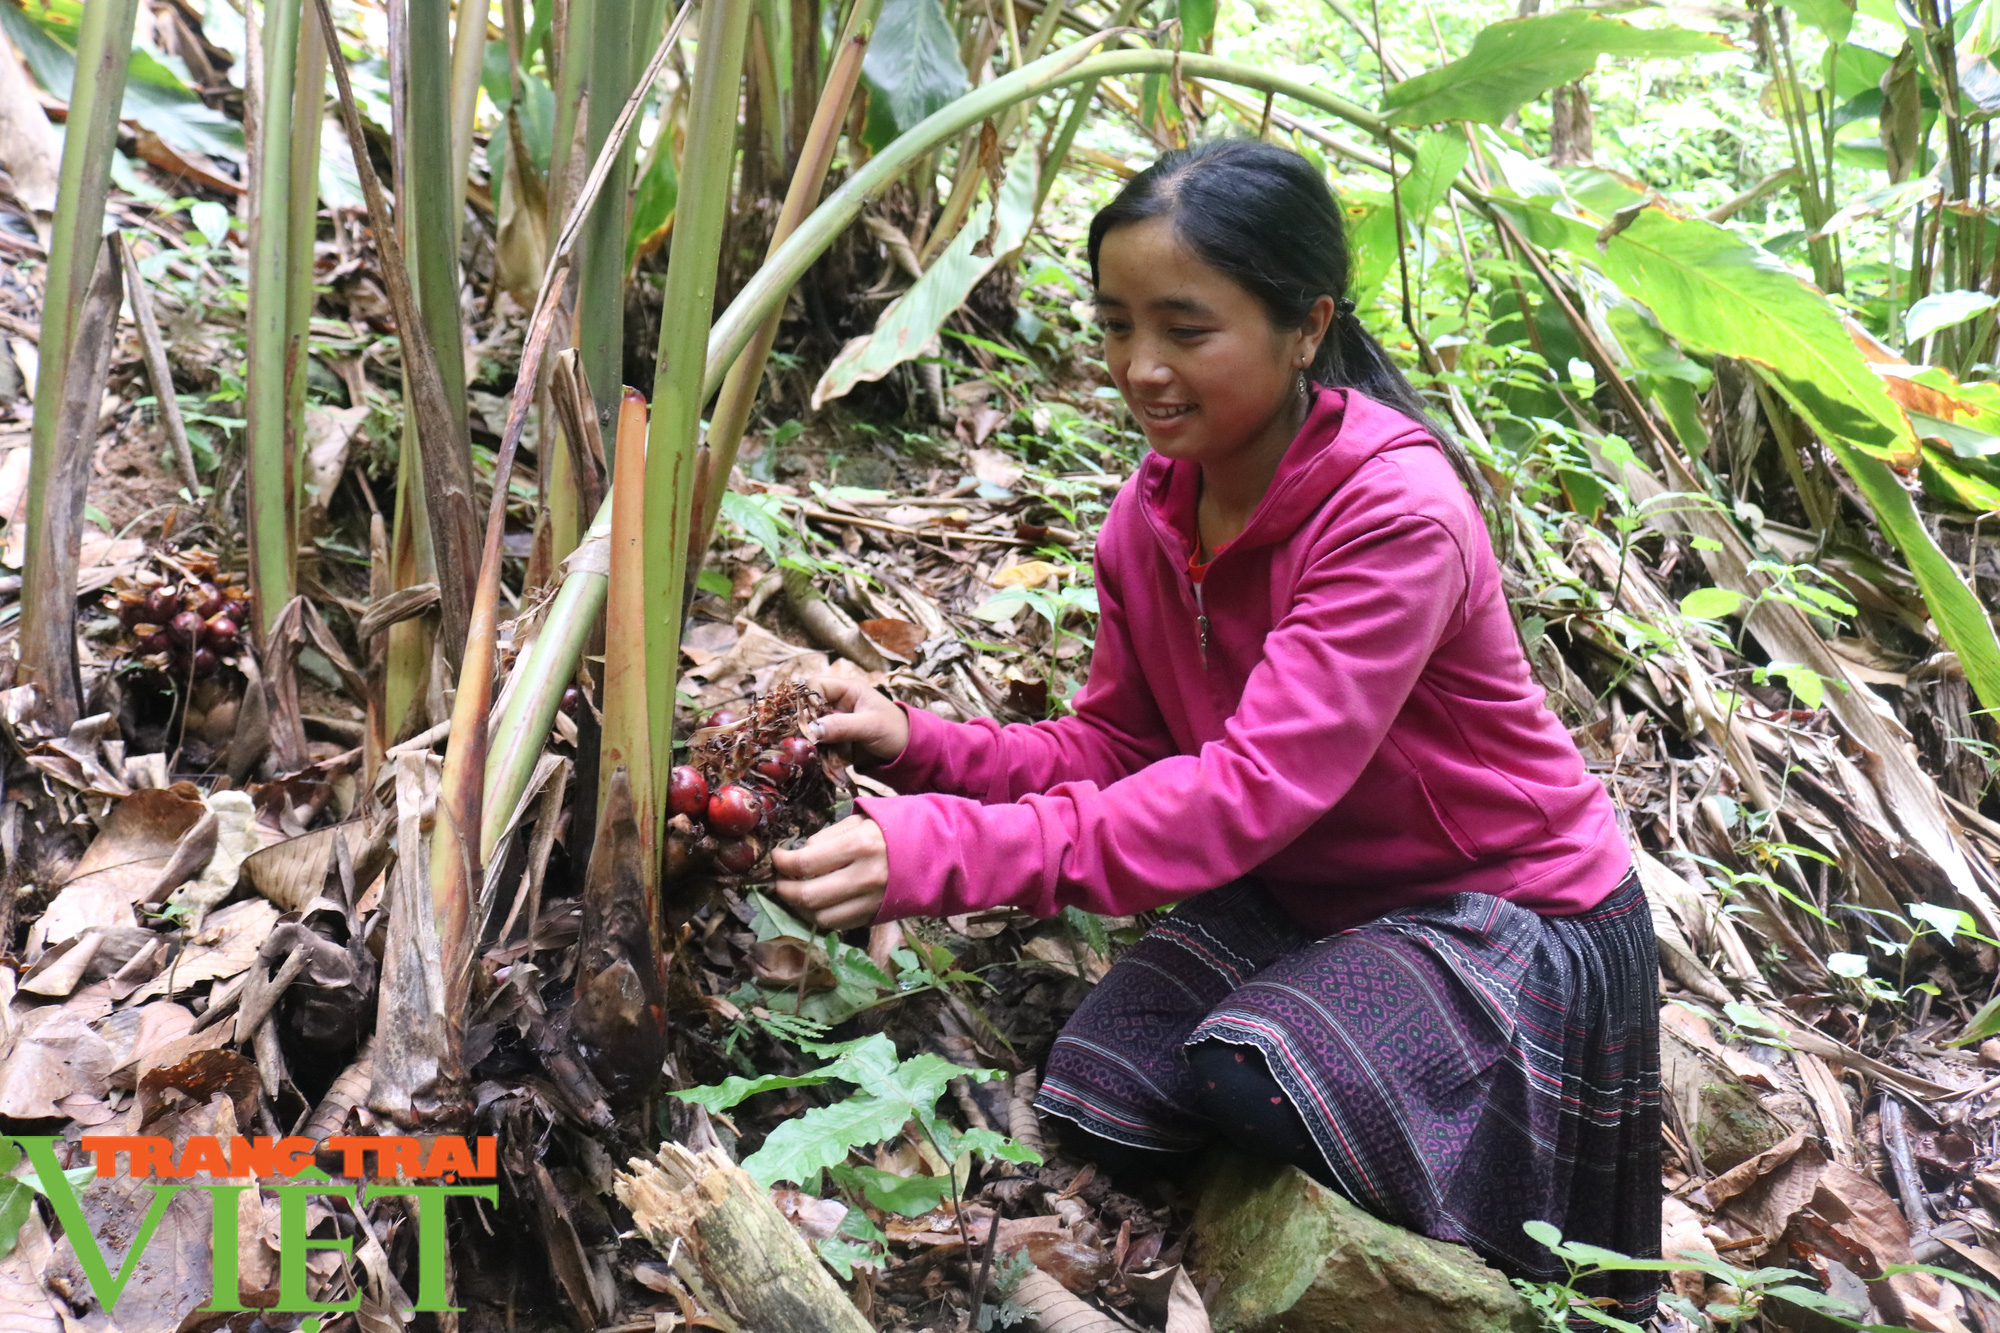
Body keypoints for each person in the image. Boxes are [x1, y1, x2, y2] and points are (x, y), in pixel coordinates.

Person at [770, 139, 1660, 1322]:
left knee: (1246, 1078)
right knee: (1094, 1088)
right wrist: (914, 743)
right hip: (1311, 898)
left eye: (1186, 330)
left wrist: (941, 854)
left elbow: (1244, 792)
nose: (1140, 368)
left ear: (1304, 327)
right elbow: (1120, 751)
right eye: (1114, 325)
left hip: (1506, 909)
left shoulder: (1391, 512)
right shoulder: (1151, 519)